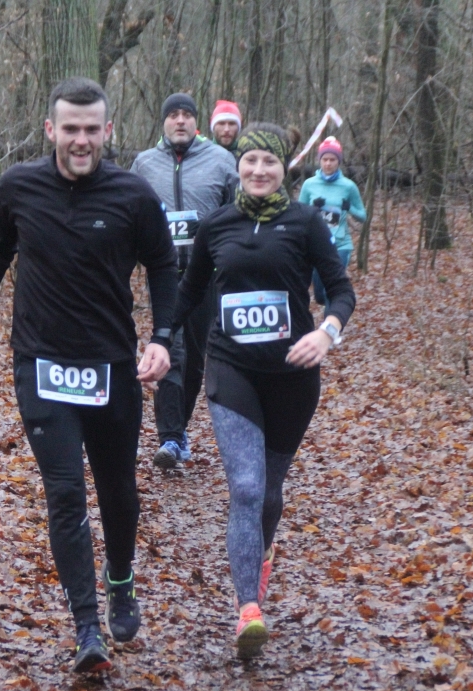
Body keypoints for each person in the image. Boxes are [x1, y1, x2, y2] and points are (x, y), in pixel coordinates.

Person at [0, 77, 177, 673]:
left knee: (118, 491)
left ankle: (120, 578)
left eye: (91, 129)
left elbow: (163, 264)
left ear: (108, 131)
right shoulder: (16, 187)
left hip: (111, 365)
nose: (81, 140)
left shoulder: (133, 195)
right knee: (65, 492)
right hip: (41, 362)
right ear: (51, 129)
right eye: (70, 128)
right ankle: (86, 629)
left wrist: (162, 338)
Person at [172, 123, 355, 658]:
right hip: (231, 369)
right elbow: (188, 292)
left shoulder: (304, 223)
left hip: (292, 378)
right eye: (250, 160)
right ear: (238, 167)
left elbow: (340, 290)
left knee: (270, 494)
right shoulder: (216, 225)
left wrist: (326, 333)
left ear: (284, 169)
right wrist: (159, 340)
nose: (258, 170)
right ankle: (248, 608)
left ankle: (261, 551)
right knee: (247, 489)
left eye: (268, 162)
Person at [131, 93, 237, 470]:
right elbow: (130, 214)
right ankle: (171, 438)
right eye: (173, 114)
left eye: (186, 115)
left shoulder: (221, 161)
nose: (180, 121)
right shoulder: (144, 164)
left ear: (197, 122)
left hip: (205, 276)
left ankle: (179, 430)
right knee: (170, 351)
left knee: (193, 361)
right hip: (163, 276)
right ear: (163, 122)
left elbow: (236, 214)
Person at [298, 137, 365, 307]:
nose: (328, 163)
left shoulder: (348, 186)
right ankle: (323, 299)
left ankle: (331, 324)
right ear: (319, 160)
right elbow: (298, 215)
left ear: (339, 161)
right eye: (325, 159)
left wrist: (349, 208)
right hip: (316, 246)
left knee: (331, 291)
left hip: (341, 245)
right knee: (320, 295)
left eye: (332, 160)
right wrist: (313, 208)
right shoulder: (309, 185)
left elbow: (363, 216)